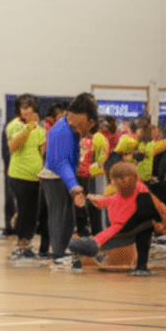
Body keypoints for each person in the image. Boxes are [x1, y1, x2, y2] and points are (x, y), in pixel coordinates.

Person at [70, 161, 166, 276]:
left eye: (120, 178)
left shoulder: (138, 190)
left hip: (125, 227)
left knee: (143, 229)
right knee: (143, 230)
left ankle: (141, 266)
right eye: (115, 179)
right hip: (125, 227)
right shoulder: (126, 192)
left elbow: (157, 205)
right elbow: (109, 201)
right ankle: (141, 266)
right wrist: (92, 198)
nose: (117, 182)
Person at [39, 93, 99, 268]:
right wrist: (74, 186)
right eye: (88, 123)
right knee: (59, 215)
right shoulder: (61, 130)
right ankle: (57, 255)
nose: (87, 129)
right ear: (80, 115)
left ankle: (62, 251)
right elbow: (61, 163)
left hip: (63, 177)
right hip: (55, 177)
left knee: (68, 218)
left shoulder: (69, 129)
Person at [6, 94, 45, 259]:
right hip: (19, 175)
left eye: (29, 107)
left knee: (33, 212)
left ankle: (28, 243)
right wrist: (28, 128)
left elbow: (41, 151)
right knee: (23, 210)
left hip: (35, 176)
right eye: (23, 108)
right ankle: (19, 245)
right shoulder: (14, 125)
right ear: (19, 110)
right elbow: (14, 146)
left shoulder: (40, 128)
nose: (26, 110)